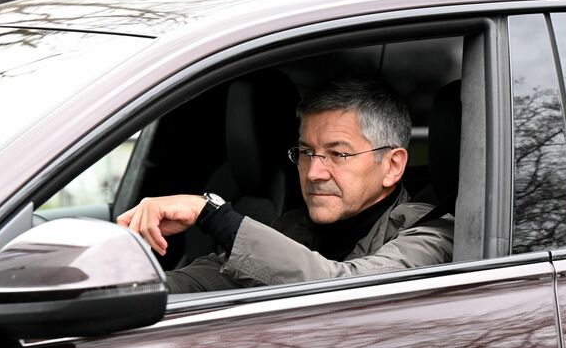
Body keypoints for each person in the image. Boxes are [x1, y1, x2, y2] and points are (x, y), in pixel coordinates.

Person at [117, 78, 454, 293]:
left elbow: (345, 288)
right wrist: (121, 292)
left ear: (392, 166)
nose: (313, 173)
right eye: (306, 152)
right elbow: (212, 278)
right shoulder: (295, 225)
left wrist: (213, 214)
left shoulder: (434, 235)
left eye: (338, 154)